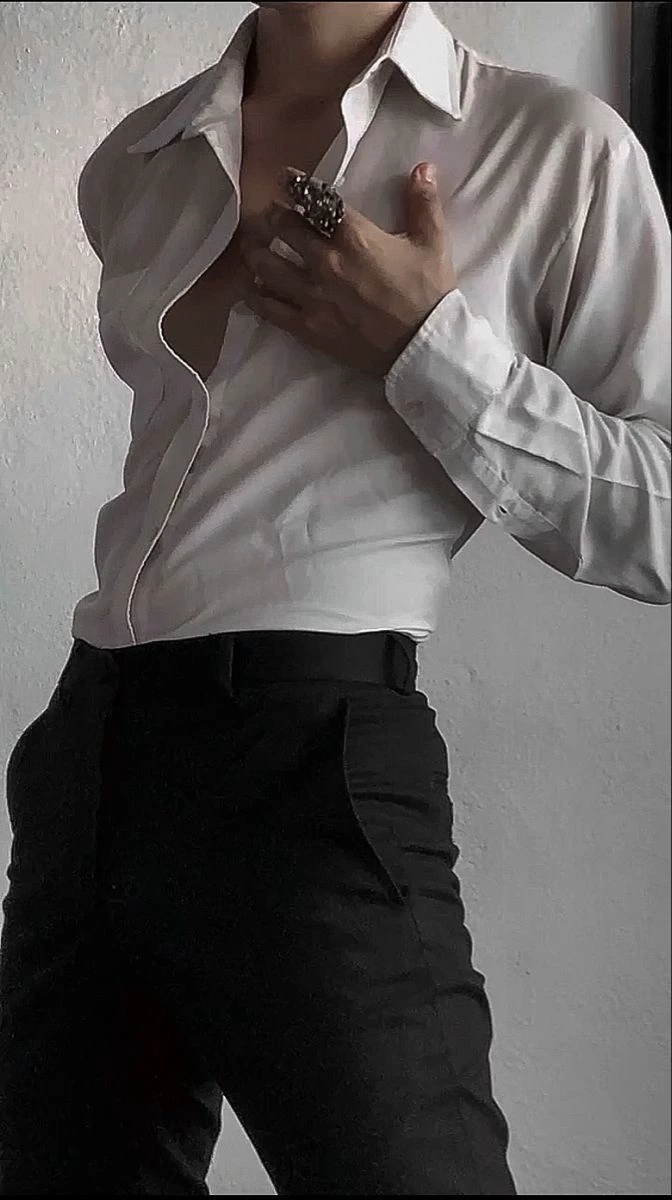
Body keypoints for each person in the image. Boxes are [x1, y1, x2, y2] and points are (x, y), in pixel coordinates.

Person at [1, 0, 669, 1193]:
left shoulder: (555, 150)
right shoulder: (135, 163)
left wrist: (428, 346)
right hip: (88, 754)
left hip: (313, 762)